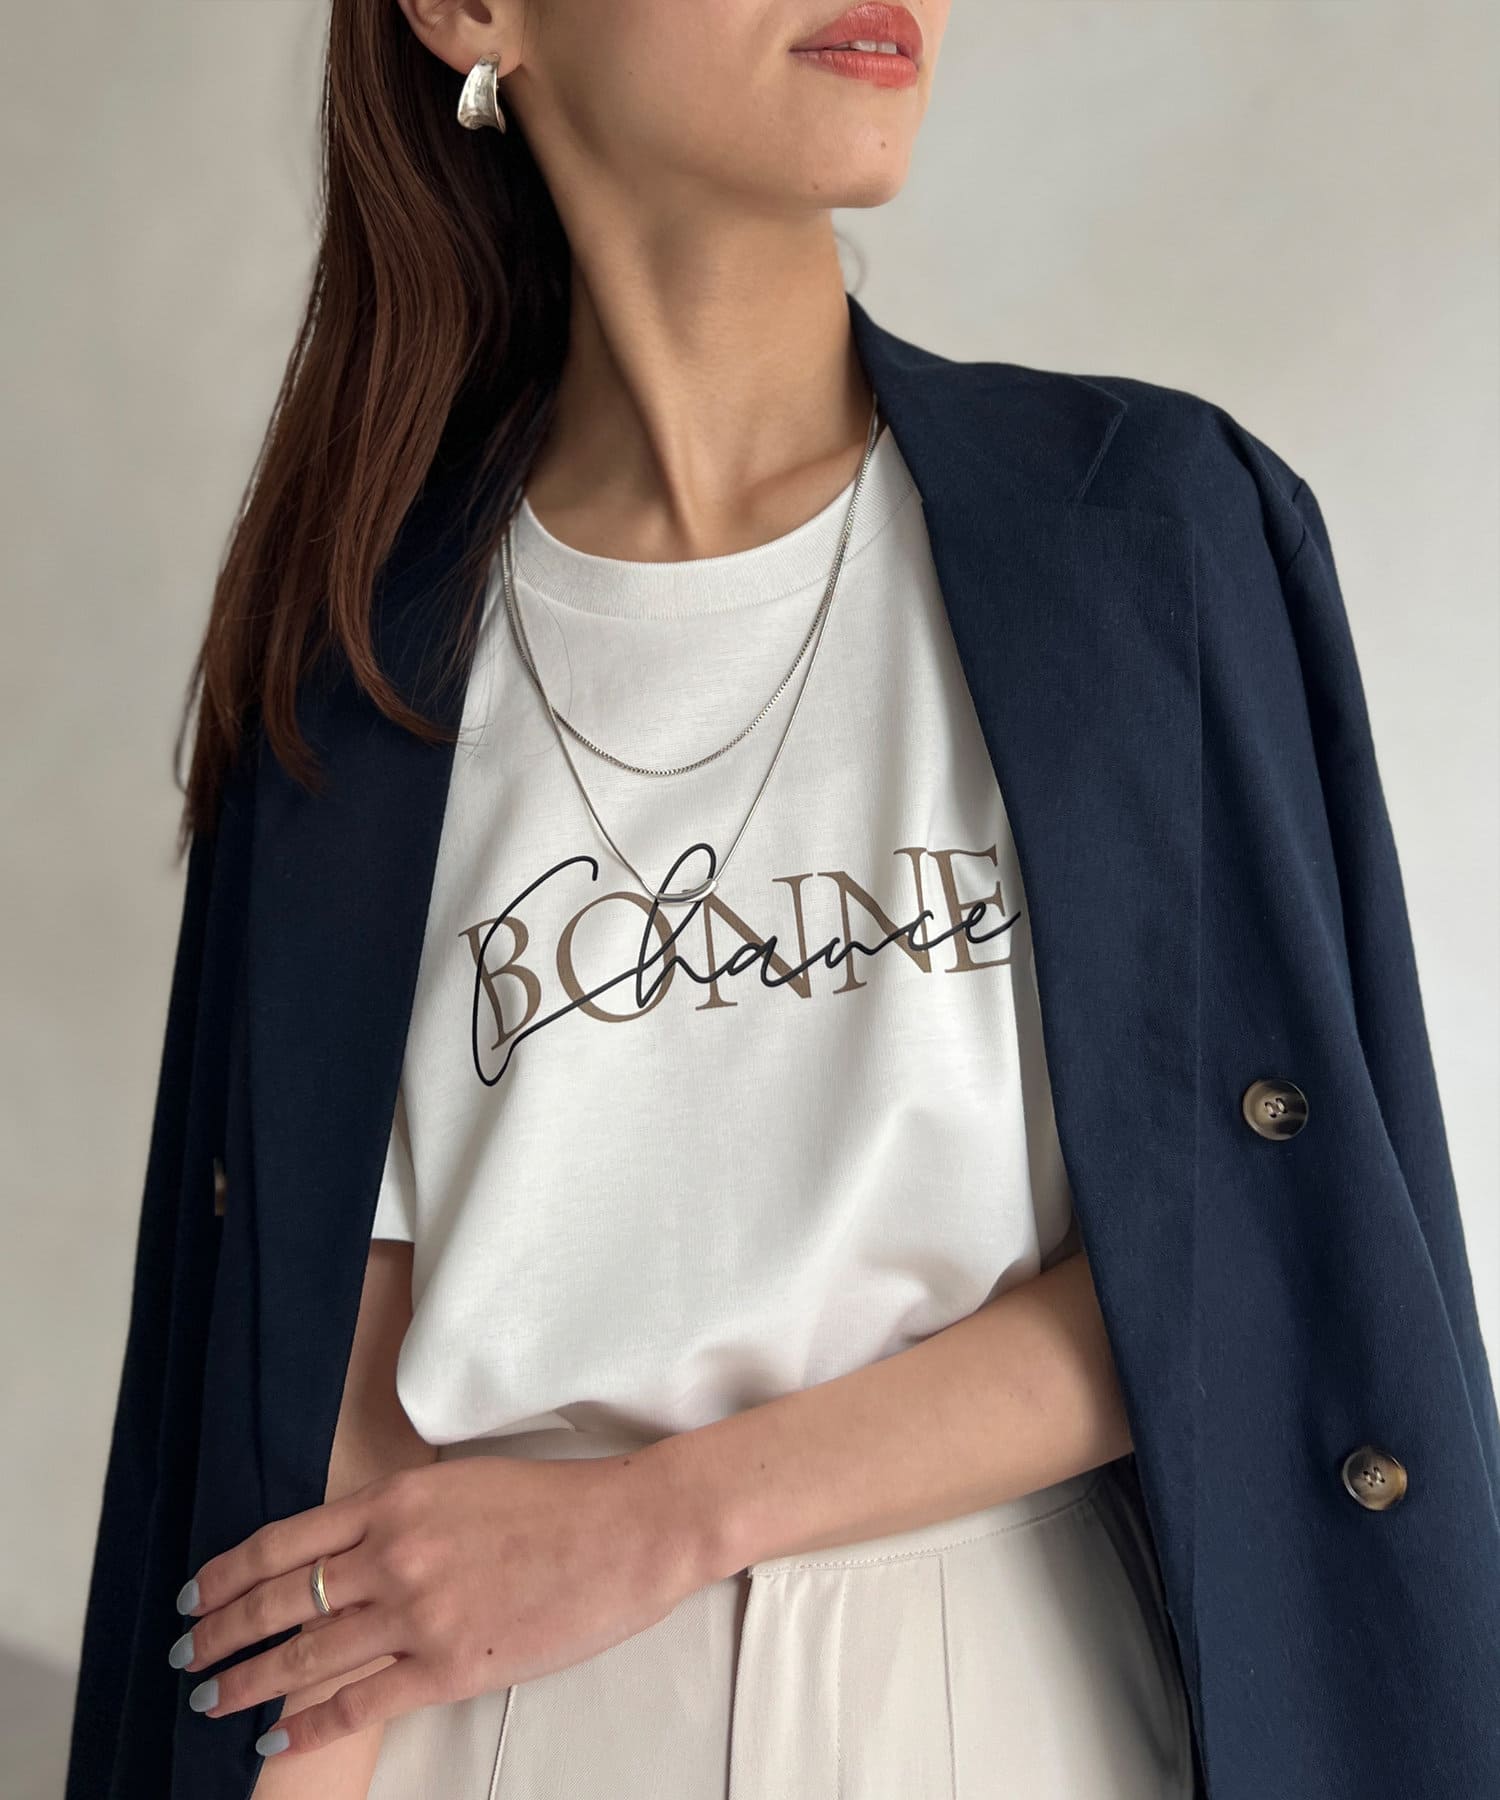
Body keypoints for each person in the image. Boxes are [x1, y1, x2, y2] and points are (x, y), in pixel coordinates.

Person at [67, 4, 1500, 1799]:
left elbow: (1256, 1246)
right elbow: (332, 1476)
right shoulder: (358, 673)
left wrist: (670, 1517)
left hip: (1008, 1707)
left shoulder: (1147, 536)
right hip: (496, 1733)